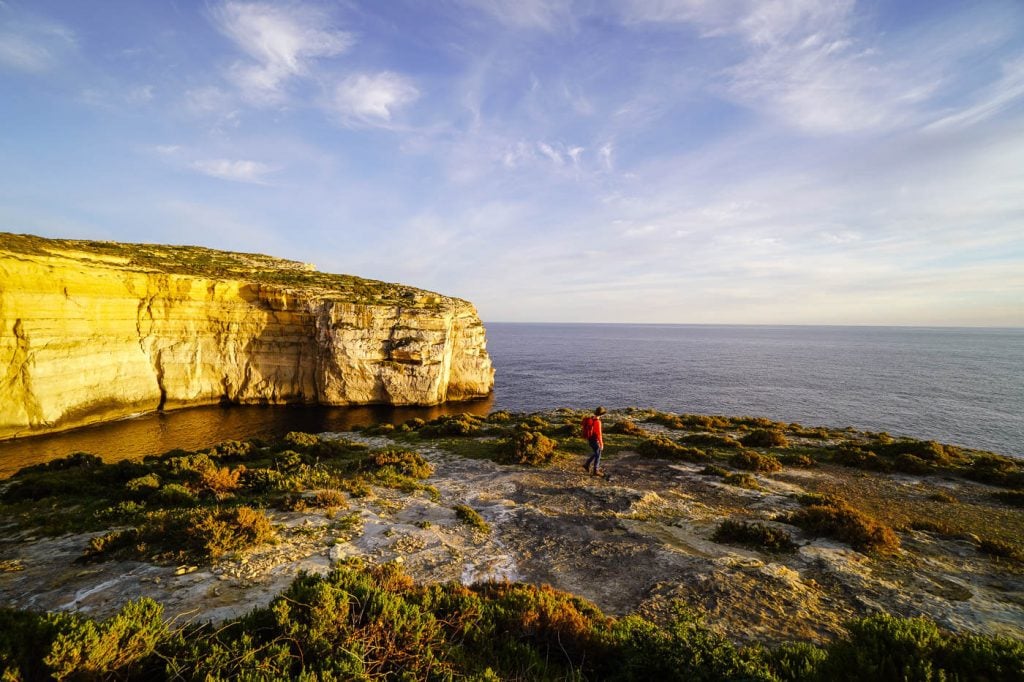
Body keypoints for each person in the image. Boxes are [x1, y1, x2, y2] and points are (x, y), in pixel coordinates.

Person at [581, 406, 606, 475]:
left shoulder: (591, 418)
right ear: (601, 414)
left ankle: (587, 464)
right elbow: (599, 434)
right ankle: (595, 470)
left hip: (590, 439)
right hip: (595, 439)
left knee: (596, 453)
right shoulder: (597, 422)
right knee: (598, 454)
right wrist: (601, 443)